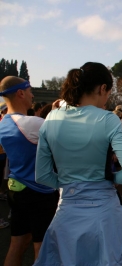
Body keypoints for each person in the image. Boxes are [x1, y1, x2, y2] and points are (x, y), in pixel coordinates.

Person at [33, 62, 122, 265]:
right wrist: (107, 177)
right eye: (108, 92)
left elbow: (43, 175)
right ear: (102, 88)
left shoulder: (51, 118)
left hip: (65, 215)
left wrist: (70, 183)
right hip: (104, 215)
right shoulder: (108, 119)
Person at [0, 76, 59, 266]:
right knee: (42, 248)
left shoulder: (3, 123)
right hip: (39, 191)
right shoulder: (32, 123)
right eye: (30, 91)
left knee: (17, 244)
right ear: (21, 93)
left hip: (16, 188)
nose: (33, 95)